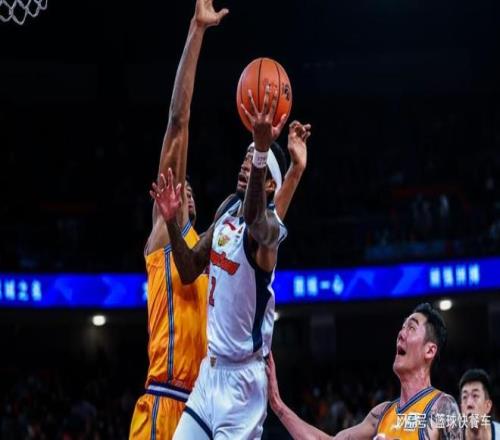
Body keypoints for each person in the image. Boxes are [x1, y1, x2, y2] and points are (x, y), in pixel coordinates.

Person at [151, 84, 312, 438]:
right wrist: (172, 222)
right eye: (245, 158)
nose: (245, 165)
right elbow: (189, 269)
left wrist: (266, 151)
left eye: (254, 163)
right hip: (210, 374)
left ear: (269, 185)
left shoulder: (268, 232)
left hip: (243, 385)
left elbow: (256, 218)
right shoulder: (227, 210)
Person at [129, 1, 229, 438]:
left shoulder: (207, 256)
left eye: (189, 188)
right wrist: (197, 31)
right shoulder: (163, 235)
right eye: (178, 185)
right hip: (163, 400)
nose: (183, 188)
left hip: (203, 409)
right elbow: (178, 121)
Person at [266, 303, 464, 440]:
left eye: (411, 328)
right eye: (402, 327)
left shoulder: (442, 406)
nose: (401, 334)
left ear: (429, 351)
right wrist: (277, 405)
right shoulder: (381, 414)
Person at [459, 368, 500, 439]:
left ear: (488, 406)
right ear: (461, 408)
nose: (469, 404)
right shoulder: (452, 437)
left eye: (475, 396)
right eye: (465, 397)